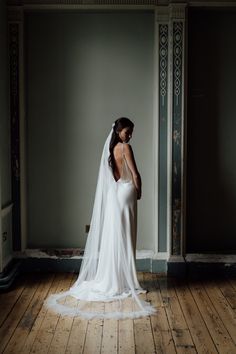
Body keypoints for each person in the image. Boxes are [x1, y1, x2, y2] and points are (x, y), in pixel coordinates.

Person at [44, 118, 157, 319]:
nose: (130, 136)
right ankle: (125, 281)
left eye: (131, 132)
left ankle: (116, 280)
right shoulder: (125, 148)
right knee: (127, 236)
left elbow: (111, 177)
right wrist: (139, 191)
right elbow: (136, 175)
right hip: (127, 192)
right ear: (119, 131)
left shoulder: (110, 149)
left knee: (116, 236)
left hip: (116, 196)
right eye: (127, 132)